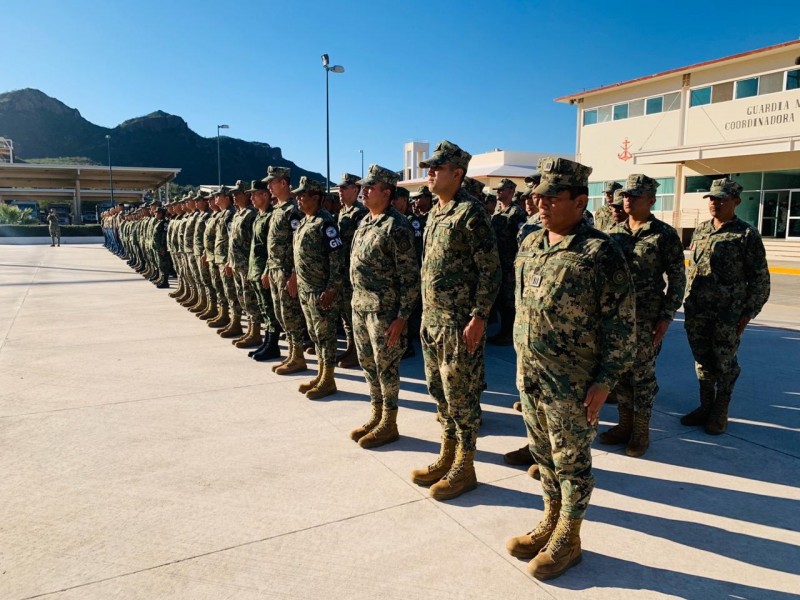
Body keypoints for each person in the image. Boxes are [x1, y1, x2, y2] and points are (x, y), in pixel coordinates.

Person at [505, 157, 634, 580]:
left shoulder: (600, 252)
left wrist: (605, 382)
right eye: (537, 195)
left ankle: (569, 538)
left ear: (580, 201)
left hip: (572, 382)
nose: (539, 203)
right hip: (532, 374)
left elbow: (621, 323)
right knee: (542, 454)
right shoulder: (530, 243)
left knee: (572, 461)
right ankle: (551, 519)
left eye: (550, 196)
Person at [409, 140, 501, 501]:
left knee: (461, 397)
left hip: (458, 323)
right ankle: (448, 455)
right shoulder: (435, 212)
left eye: (436, 168)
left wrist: (479, 316)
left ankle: (465, 466)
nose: (429, 172)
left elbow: (490, 271)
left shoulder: (471, 213)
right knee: (440, 393)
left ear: (457, 174)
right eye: (429, 167)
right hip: (432, 321)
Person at [599, 174, 686, 457]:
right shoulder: (614, 232)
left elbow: (677, 278)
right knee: (620, 373)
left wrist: (666, 316)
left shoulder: (663, 234)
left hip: (647, 318)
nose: (628, 199)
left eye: (635, 196)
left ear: (651, 200)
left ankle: (640, 431)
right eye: (625, 195)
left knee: (642, 377)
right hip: (615, 318)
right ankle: (624, 425)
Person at [681, 177, 770, 435]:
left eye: (721, 198)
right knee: (702, 361)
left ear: (736, 201)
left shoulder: (746, 234)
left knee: (725, 362)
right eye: (712, 198)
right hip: (697, 309)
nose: (714, 203)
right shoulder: (700, 230)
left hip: (727, 313)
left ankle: (720, 411)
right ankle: (705, 406)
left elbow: (760, 278)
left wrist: (748, 312)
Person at [348, 165, 420, 448]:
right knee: (368, 365)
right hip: (361, 306)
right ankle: (376, 414)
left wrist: (402, 317)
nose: (363, 191)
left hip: (384, 311)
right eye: (364, 187)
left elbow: (410, 277)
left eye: (370, 188)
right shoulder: (366, 222)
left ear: (387, 192)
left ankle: (389, 422)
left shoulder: (397, 226)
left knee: (386, 367)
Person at [292, 176, 345, 399]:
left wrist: (332, 288)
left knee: (326, 337)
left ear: (316, 197)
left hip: (320, 290)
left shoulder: (326, 223)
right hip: (306, 289)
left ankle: (329, 379)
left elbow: (337, 258)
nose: (298, 199)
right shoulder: (305, 221)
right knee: (315, 335)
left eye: (302, 195)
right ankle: (321, 374)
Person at [262, 166, 308, 375]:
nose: (269, 186)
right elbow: (271, 245)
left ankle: (298, 356)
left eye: (272, 182)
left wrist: (293, 274)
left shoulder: (293, 211)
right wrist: (267, 269)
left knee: (291, 315)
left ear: (283, 183)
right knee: (281, 314)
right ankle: (291, 353)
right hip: (275, 269)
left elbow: (297, 245)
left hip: (286, 271)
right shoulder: (277, 209)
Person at [335, 172, 369, 368]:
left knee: (354, 315)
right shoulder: (343, 211)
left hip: (352, 272)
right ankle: (350, 347)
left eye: (343, 188)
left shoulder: (359, 213)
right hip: (342, 271)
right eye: (339, 187)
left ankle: (358, 351)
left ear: (355, 190)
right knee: (346, 314)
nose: (339, 191)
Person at [488, 178, 526, 346]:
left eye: (502, 190)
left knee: (508, 300)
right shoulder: (497, 213)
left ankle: (509, 334)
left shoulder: (516, 213)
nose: (498, 193)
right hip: (497, 262)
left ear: (511, 192)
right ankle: (503, 331)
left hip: (509, 263)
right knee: (501, 299)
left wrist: (516, 264)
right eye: (497, 190)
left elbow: (522, 241)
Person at [247, 179, 281, 361]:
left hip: (264, 270)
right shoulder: (259, 216)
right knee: (263, 307)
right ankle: (267, 341)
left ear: (266, 196)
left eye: (255, 194)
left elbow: (272, 248)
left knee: (270, 308)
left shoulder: (270, 216)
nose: (251, 197)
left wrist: (266, 270)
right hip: (256, 269)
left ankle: (272, 345)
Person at [227, 182, 262, 348]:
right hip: (237, 263)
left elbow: (255, 243)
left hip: (247, 265)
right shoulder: (238, 214)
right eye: (233, 194)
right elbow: (231, 241)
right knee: (241, 297)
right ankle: (248, 329)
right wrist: (229, 260)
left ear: (247, 195)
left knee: (250, 299)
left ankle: (255, 332)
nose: (234, 196)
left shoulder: (251, 214)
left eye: (238, 193)